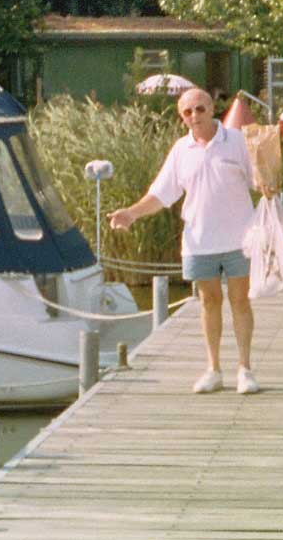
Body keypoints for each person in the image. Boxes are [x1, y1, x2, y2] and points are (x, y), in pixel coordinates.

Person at [109, 87, 260, 394]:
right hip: (199, 241)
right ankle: (213, 369)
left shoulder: (237, 141)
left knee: (240, 301)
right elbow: (161, 195)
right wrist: (131, 213)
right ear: (182, 117)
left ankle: (244, 369)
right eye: (188, 112)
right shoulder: (181, 150)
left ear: (212, 108)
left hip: (239, 237)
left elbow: (260, 179)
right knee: (208, 301)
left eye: (200, 109)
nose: (195, 116)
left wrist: (270, 174)